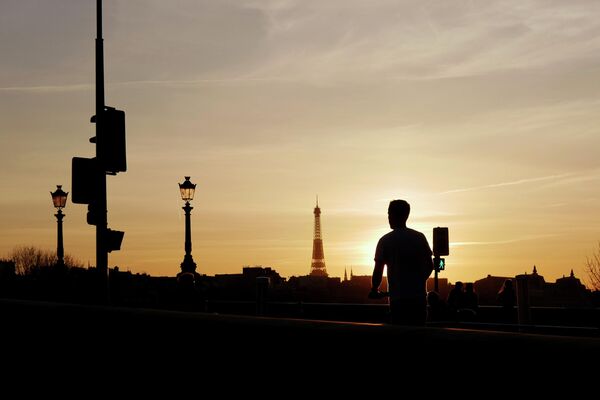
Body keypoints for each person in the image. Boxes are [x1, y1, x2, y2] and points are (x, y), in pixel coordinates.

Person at [370, 199, 433, 325]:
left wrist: (374, 289)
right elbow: (430, 266)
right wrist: (418, 281)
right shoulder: (419, 237)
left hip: (397, 299)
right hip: (418, 298)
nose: (388, 218)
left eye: (389, 214)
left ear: (393, 215)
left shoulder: (385, 240)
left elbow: (378, 270)